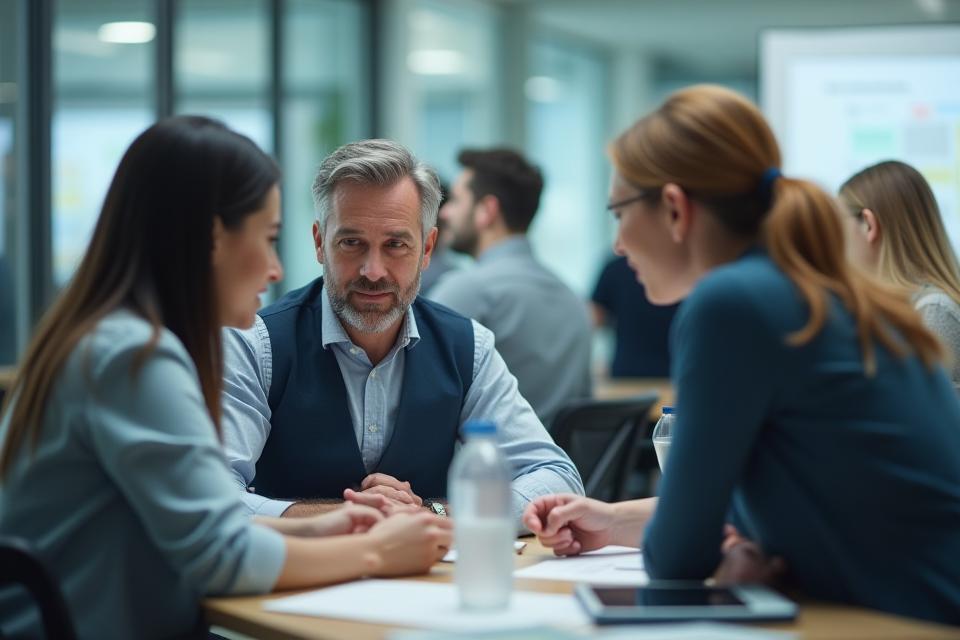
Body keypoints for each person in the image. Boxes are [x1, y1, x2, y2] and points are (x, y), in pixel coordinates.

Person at [522, 86, 960, 625]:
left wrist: (726, 552)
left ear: (676, 208)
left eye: (618, 213)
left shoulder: (732, 303)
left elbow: (679, 557)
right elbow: (762, 501)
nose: (617, 245)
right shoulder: (818, 289)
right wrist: (614, 522)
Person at [0, 117, 451, 640]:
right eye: (268, 237)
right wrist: (376, 551)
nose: (277, 268)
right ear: (213, 238)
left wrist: (326, 525)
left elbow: (200, 528)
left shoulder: (108, 339)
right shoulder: (134, 358)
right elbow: (221, 559)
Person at [221, 139, 583, 525]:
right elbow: (213, 498)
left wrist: (434, 513)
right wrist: (345, 519)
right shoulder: (255, 344)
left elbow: (556, 480)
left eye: (395, 244)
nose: (373, 270)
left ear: (427, 248)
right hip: (293, 582)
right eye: (351, 243)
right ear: (319, 243)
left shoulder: (467, 346)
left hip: (429, 579)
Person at [428, 149, 592, 427]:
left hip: (487, 466)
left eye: (456, 200)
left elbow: (417, 395)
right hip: (565, 468)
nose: (445, 212)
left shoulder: (467, 290)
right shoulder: (572, 297)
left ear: (487, 211)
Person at [839, 160, 960, 388]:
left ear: (868, 225)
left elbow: (921, 416)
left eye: (838, 226)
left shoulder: (933, 311)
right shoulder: (894, 307)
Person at [590, 255, 677, 378]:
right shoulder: (686, 268)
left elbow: (593, 320)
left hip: (628, 374)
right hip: (673, 374)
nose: (618, 246)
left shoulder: (615, 267)